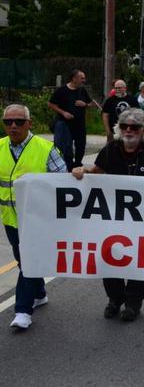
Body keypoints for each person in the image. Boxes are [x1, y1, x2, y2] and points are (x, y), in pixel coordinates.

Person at [72, 108, 144, 321]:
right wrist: (82, 171)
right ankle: (115, 299)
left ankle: (133, 303)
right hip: (112, 218)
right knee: (109, 257)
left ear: (143, 130)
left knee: (139, 260)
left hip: (142, 220)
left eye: (134, 127)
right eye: (124, 126)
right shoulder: (110, 150)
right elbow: (96, 172)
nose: (129, 130)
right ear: (119, 128)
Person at [1, 104, 66, 330]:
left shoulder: (46, 149)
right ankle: (39, 294)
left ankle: (23, 311)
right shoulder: (0, 147)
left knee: (28, 262)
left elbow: (63, 183)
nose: (13, 126)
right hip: (10, 220)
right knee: (24, 260)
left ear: (29, 123)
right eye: (8, 122)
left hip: (38, 221)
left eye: (19, 121)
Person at [47, 69, 100, 170]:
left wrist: (85, 104)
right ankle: (69, 166)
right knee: (67, 147)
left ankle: (78, 164)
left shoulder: (82, 90)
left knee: (81, 145)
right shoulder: (62, 90)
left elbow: (91, 104)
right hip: (65, 124)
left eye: (84, 78)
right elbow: (50, 104)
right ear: (74, 78)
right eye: (82, 78)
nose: (84, 80)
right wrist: (64, 113)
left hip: (80, 124)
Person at [101, 80, 139, 144]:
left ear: (125, 88)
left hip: (129, 131)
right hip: (114, 132)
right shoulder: (109, 101)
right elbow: (105, 116)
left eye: (119, 88)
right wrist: (108, 131)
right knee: (112, 149)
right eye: (116, 88)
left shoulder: (133, 100)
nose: (117, 90)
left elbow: (138, 115)